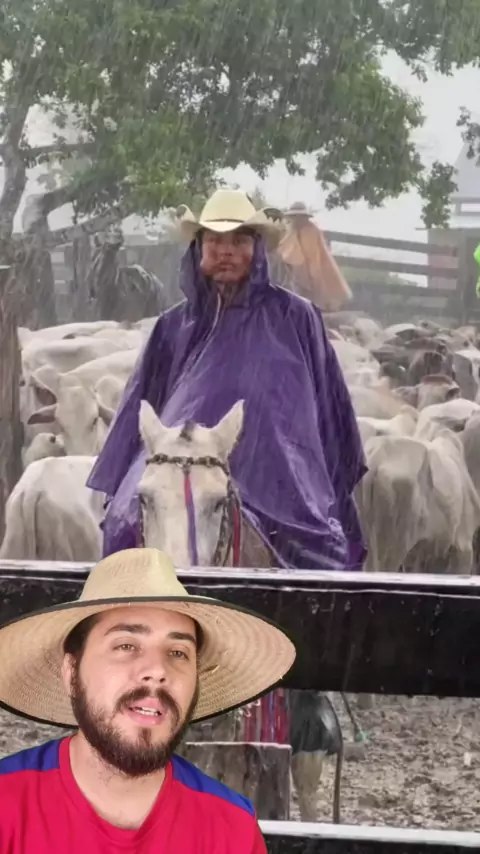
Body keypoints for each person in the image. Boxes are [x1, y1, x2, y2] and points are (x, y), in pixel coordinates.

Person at [87, 189, 367, 571]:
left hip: (279, 471)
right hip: (179, 458)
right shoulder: (173, 326)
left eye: (239, 241)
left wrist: (326, 474)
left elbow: (329, 404)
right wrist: (124, 473)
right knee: (124, 525)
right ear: (199, 248)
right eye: (215, 241)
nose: (226, 252)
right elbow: (141, 402)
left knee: (323, 556)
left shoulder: (296, 317)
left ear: (256, 248)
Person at [0, 547, 295, 852]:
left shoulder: (231, 830)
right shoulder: (6, 807)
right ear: (71, 672)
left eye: (178, 653)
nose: (157, 671)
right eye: (126, 645)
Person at [277, 201, 352, 311]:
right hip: (292, 271)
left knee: (312, 297)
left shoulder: (312, 231)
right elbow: (284, 248)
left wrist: (312, 274)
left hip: (312, 269)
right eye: (295, 216)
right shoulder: (289, 230)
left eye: (300, 217)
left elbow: (314, 255)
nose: (298, 220)